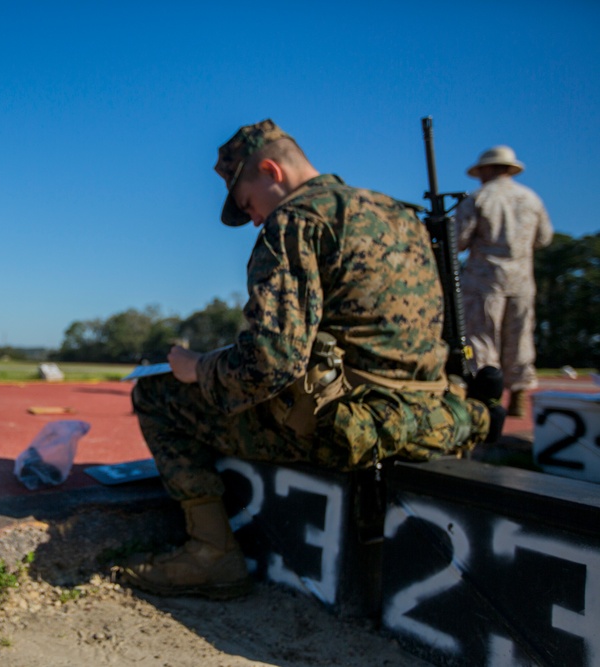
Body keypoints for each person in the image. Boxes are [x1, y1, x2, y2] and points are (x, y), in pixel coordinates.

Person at [117, 118, 495, 600]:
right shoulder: (399, 214)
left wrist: (199, 367)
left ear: (271, 170)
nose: (254, 219)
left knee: (155, 393)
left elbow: (268, 364)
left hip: (345, 427)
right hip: (423, 416)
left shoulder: (296, 220)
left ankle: (211, 553)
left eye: (248, 204)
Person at [455, 146, 553, 417]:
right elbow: (544, 238)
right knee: (520, 338)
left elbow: (458, 240)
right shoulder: (531, 199)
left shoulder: (480, 198)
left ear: (486, 169)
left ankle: (486, 402)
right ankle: (519, 397)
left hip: (484, 282)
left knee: (481, 341)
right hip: (521, 281)